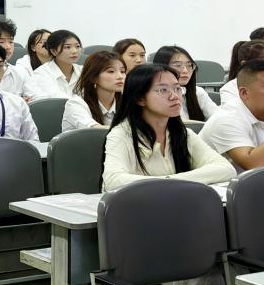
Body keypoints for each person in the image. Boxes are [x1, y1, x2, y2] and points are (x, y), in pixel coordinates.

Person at [103, 63, 233, 191]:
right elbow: (113, 181)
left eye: (177, 88)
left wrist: (171, 181)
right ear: (140, 99)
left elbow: (226, 169)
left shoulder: (182, 133)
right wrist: (172, 182)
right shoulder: (121, 134)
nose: (174, 96)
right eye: (163, 90)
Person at [62, 50, 126, 131]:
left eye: (122, 71)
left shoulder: (127, 101)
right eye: (111, 71)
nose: (120, 76)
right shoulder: (76, 103)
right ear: (93, 77)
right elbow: (94, 130)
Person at [152, 45, 217, 121]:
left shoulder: (198, 92)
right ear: (162, 67)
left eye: (189, 65)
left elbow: (219, 118)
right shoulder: (156, 95)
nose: (185, 71)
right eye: (178, 65)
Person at [29, 29, 83, 99]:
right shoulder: (41, 73)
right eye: (67, 47)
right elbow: (58, 99)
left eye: (77, 46)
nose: (74, 51)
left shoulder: (83, 70)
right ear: (54, 51)